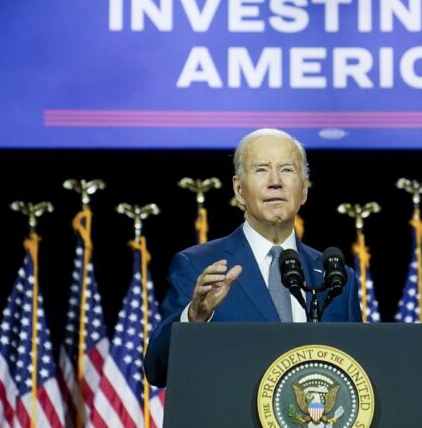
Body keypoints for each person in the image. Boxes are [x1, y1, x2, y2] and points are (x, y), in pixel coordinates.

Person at [143, 128, 362, 386]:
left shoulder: (337, 278)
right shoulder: (198, 266)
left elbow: (356, 373)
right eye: (261, 170)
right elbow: (157, 370)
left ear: (303, 190)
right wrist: (194, 318)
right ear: (239, 190)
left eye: (287, 170)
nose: (275, 181)